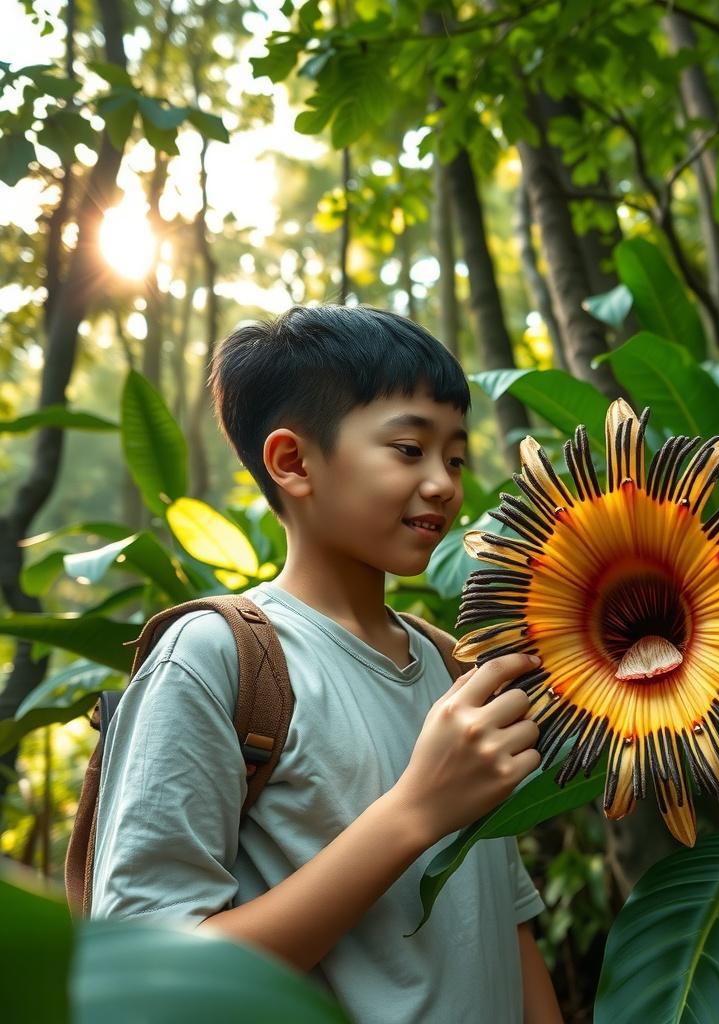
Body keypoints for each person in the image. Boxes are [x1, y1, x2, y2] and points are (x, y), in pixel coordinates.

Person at [91, 305, 563, 1023]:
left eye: (456, 457)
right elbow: (146, 982)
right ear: (293, 461)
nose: (444, 483)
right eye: (410, 448)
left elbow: (506, 925)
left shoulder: (452, 666)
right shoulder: (217, 659)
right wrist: (415, 811)